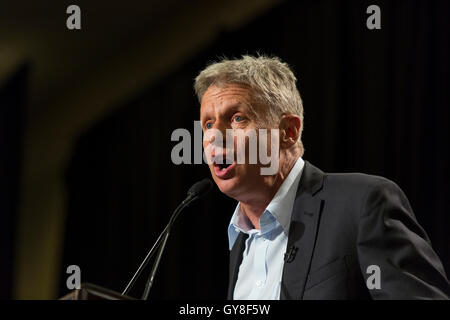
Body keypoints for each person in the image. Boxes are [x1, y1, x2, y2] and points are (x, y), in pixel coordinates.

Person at [194, 55, 450, 300]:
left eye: (237, 118)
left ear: (289, 132)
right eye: (207, 124)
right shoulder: (240, 242)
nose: (215, 137)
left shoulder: (363, 204)